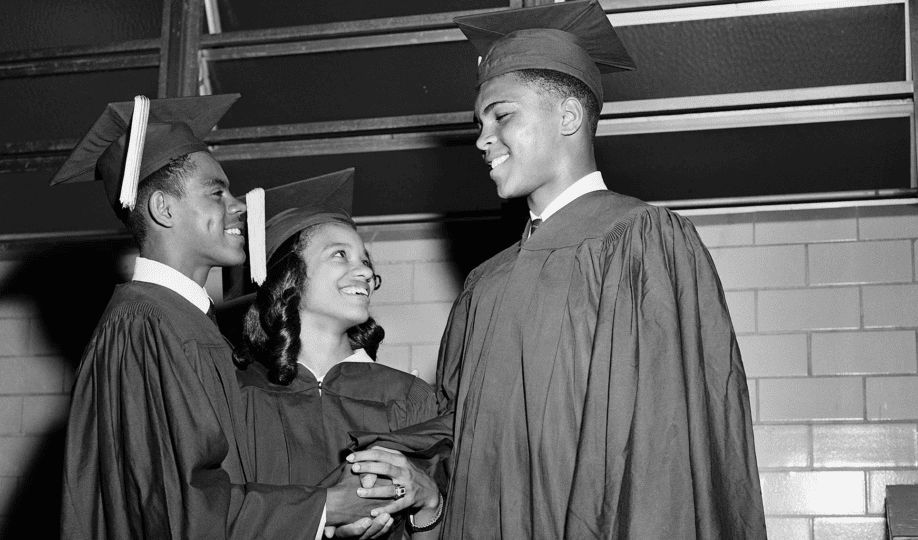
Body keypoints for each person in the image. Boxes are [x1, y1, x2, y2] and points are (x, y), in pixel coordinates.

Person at [371, 1, 766, 538]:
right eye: (478, 123)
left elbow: (662, 458)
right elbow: (457, 446)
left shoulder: (641, 242)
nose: (482, 139)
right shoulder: (485, 284)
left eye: (501, 115)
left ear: (569, 117)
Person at [53, 95, 390, 539]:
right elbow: (175, 506)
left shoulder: (188, 323)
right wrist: (325, 507)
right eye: (217, 192)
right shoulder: (143, 326)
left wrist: (324, 520)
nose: (239, 206)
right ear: (163, 209)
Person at [230, 170, 446, 539]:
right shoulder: (237, 395)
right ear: (290, 278)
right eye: (340, 255)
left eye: (365, 259)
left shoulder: (409, 397)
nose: (363, 270)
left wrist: (430, 501)